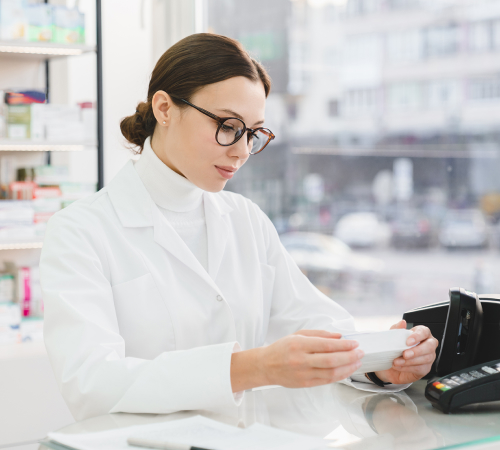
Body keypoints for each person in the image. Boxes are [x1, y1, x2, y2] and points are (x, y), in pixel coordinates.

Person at [39, 33, 438, 421]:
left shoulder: (245, 219)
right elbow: (91, 383)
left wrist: (378, 363)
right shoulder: (80, 231)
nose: (242, 150)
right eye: (228, 126)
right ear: (164, 108)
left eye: (253, 132)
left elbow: (320, 328)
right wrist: (252, 368)